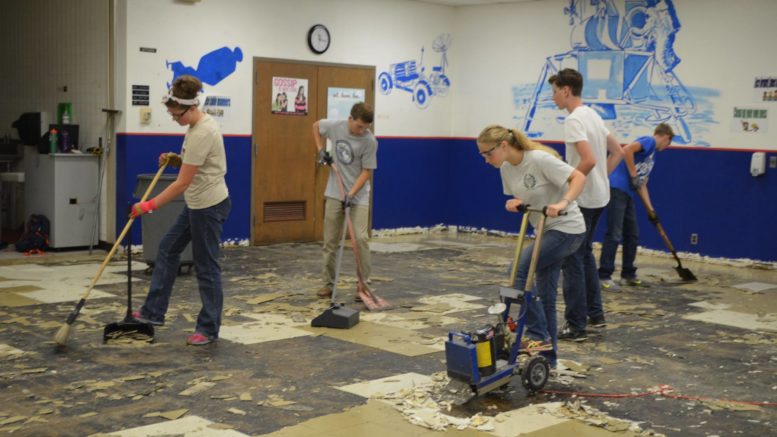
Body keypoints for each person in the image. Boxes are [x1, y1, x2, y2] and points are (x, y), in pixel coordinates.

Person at [131, 74, 231, 346]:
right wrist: (176, 159)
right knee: (167, 249)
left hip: (209, 206)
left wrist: (148, 206)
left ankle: (208, 328)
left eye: (177, 115)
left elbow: (182, 183)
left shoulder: (204, 131)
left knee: (206, 266)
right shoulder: (195, 126)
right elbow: (194, 165)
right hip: (196, 203)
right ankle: (153, 312)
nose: (174, 119)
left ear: (191, 107)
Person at [477, 125, 586, 369]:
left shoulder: (539, 159)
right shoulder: (505, 168)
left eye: (488, 153)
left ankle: (537, 336)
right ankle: (549, 359)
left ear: (503, 146)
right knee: (545, 296)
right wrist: (518, 203)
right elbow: (529, 195)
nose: (486, 160)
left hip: (567, 229)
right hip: (545, 230)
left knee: (517, 272)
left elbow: (579, 177)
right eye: (482, 155)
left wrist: (563, 202)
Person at [548, 68, 624, 342]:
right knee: (584, 254)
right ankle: (596, 315)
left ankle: (575, 325)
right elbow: (617, 152)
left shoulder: (574, 120)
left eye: (555, 91)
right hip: (599, 195)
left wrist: (571, 186)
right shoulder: (593, 114)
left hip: (582, 200)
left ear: (566, 90)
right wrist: (601, 178)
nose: (553, 97)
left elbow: (589, 160)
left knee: (572, 261)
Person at [312, 102, 378, 299]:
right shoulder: (335, 126)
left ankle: (363, 285)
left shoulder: (370, 141)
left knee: (360, 239)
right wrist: (320, 149)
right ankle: (328, 284)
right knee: (330, 240)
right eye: (359, 126)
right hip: (334, 192)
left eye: (366, 128)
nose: (362, 131)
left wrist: (351, 194)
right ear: (350, 119)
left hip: (358, 195)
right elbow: (316, 126)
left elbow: (367, 172)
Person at [599, 123, 675, 289]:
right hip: (617, 189)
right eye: (668, 143)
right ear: (665, 137)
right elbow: (627, 150)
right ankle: (604, 275)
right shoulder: (649, 141)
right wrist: (633, 175)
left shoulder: (651, 158)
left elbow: (641, 185)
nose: (666, 147)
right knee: (614, 233)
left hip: (628, 194)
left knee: (632, 234)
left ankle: (628, 274)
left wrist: (651, 211)